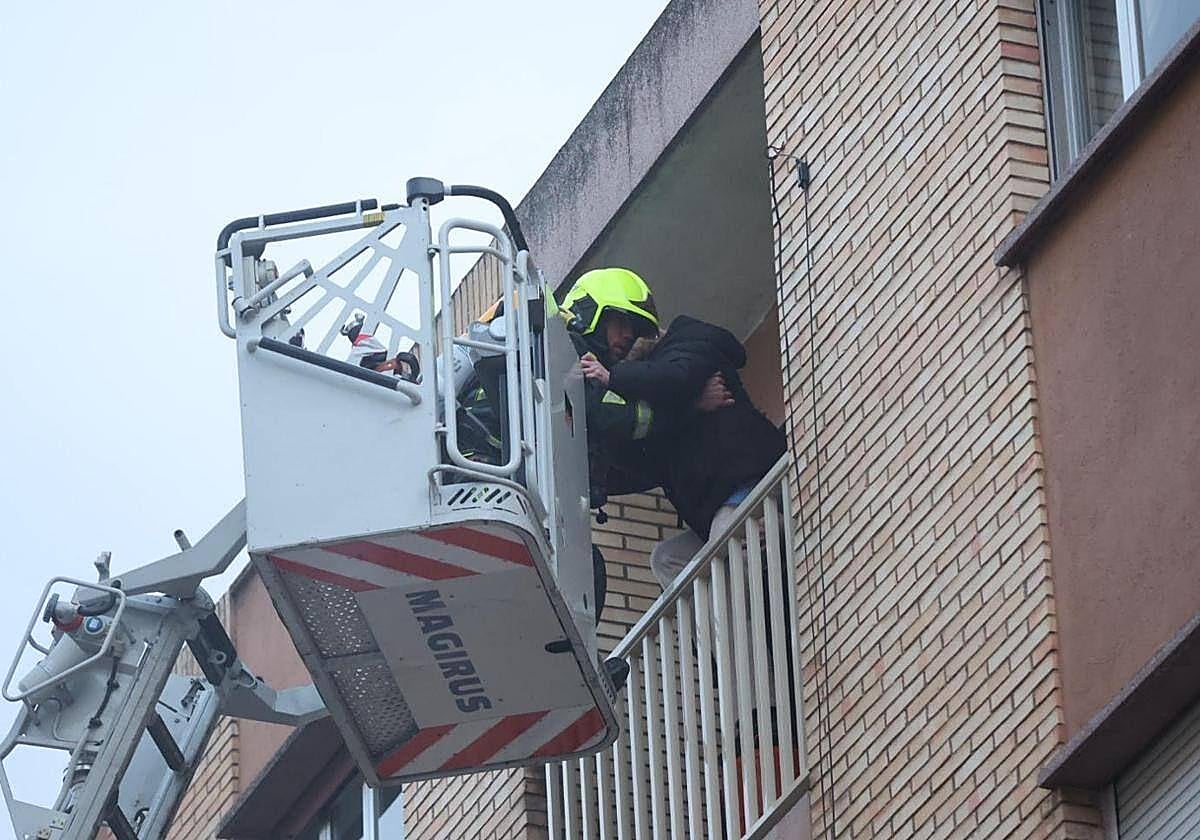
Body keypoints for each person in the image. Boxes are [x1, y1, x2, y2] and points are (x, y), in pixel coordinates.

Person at [574, 276, 786, 591]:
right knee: (667, 559)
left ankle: (783, 526)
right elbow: (635, 462)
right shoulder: (662, 410)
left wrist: (611, 378)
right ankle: (720, 626)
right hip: (716, 511)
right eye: (621, 325)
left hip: (749, 485)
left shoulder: (689, 341)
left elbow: (676, 377)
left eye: (636, 328)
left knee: (726, 537)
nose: (628, 336)